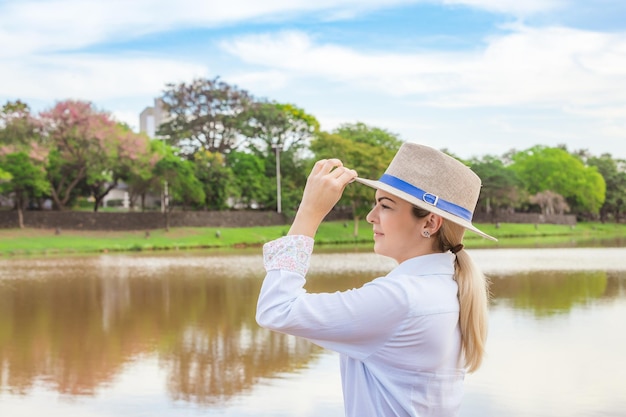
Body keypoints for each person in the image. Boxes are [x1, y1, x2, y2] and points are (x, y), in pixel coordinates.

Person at [256, 143, 496, 417]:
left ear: (429, 224)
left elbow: (276, 310)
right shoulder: (447, 286)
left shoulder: (402, 299)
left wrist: (309, 213)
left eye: (385, 206)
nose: (371, 217)